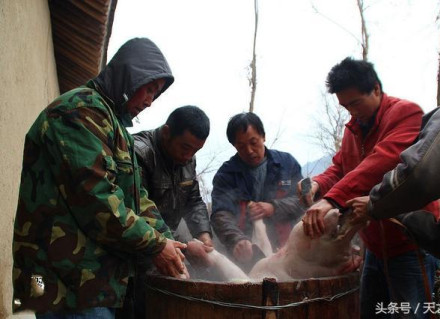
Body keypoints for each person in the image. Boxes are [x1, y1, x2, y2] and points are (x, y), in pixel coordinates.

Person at [12, 38, 187, 318]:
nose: (150, 102)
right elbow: (98, 199)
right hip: (60, 284)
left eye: (156, 95)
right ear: (132, 76)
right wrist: (155, 244)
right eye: (150, 89)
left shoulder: (112, 124)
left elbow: (135, 196)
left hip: (87, 283)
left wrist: (169, 241)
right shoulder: (79, 112)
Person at [298, 57, 440, 318]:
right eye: (344, 106)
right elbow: (341, 168)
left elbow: (381, 161)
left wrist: (331, 200)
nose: (351, 111)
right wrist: (318, 184)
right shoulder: (353, 129)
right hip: (375, 248)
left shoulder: (406, 114)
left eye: (355, 103)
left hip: (408, 242)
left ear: (375, 89)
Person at [347, 100, 440, 316]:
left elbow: (419, 175)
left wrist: (374, 205)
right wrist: (401, 215)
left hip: (406, 254)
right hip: (378, 251)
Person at [120, 105, 213, 319]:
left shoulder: (188, 158)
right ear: (166, 132)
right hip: (136, 252)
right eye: (185, 148)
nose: (188, 156)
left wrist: (203, 237)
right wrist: (176, 246)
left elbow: (194, 200)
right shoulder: (138, 152)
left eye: (195, 151)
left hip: (167, 244)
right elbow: (136, 208)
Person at [211, 112, 304, 272]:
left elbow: (302, 201)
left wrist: (273, 207)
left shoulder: (286, 164)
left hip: (287, 250)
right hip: (246, 257)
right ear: (234, 146)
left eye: (253, 142)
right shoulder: (226, 174)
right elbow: (221, 214)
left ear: (263, 136)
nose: (249, 150)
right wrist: (237, 240)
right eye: (241, 146)